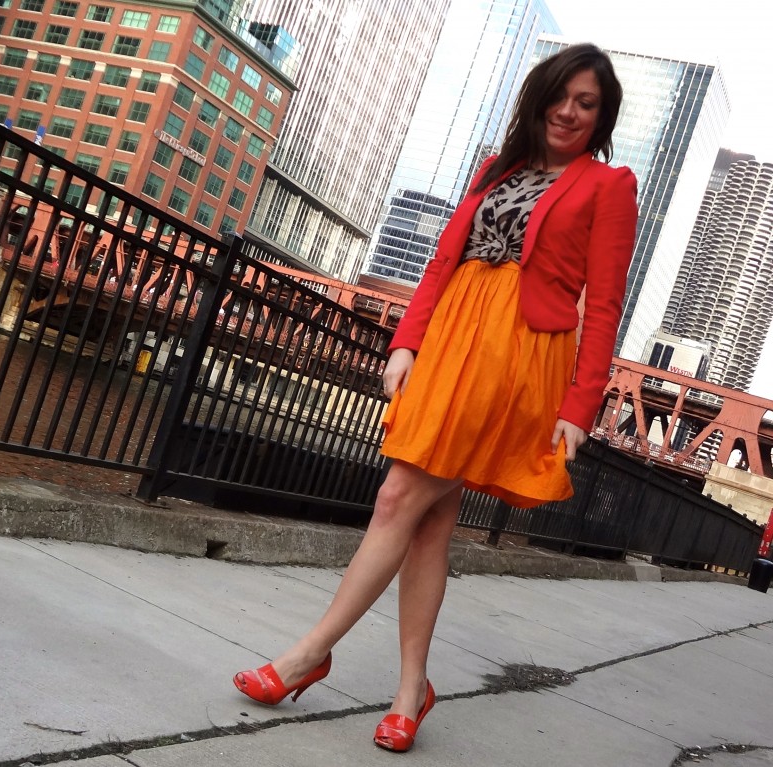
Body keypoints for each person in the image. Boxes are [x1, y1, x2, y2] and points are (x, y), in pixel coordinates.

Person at [233, 43, 639, 753]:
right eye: (563, 96)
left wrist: (580, 405)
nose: (571, 111)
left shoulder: (609, 186)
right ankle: (410, 690)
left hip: (517, 356)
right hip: (451, 338)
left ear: (601, 117)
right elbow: (442, 260)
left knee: (396, 497)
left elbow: (603, 306)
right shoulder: (496, 168)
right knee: (426, 522)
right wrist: (405, 341)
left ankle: (306, 655)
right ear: (540, 96)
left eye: (588, 103)